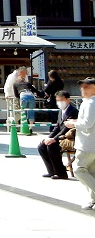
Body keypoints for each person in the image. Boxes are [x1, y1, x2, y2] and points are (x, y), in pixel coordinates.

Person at [65, 76, 95, 210]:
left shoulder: (90, 103)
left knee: (78, 169)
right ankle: (92, 200)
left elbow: (88, 123)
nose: (83, 89)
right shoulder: (88, 102)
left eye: (87, 86)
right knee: (91, 172)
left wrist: (73, 124)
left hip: (87, 143)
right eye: (82, 86)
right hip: (90, 142)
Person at [37, 90, 78, 180]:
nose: (59, 102)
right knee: (41, 146)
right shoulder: (61, 111)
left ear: (67, 100)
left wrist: (54, 139)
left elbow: (66, 129)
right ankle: (51, 171)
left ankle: (61, 173)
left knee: (52, 146)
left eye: (61, 100)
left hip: (68, 138)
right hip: (60, 137)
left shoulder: (73, 111)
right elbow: (57, 127)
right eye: (57, 100)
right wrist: (49, 137)